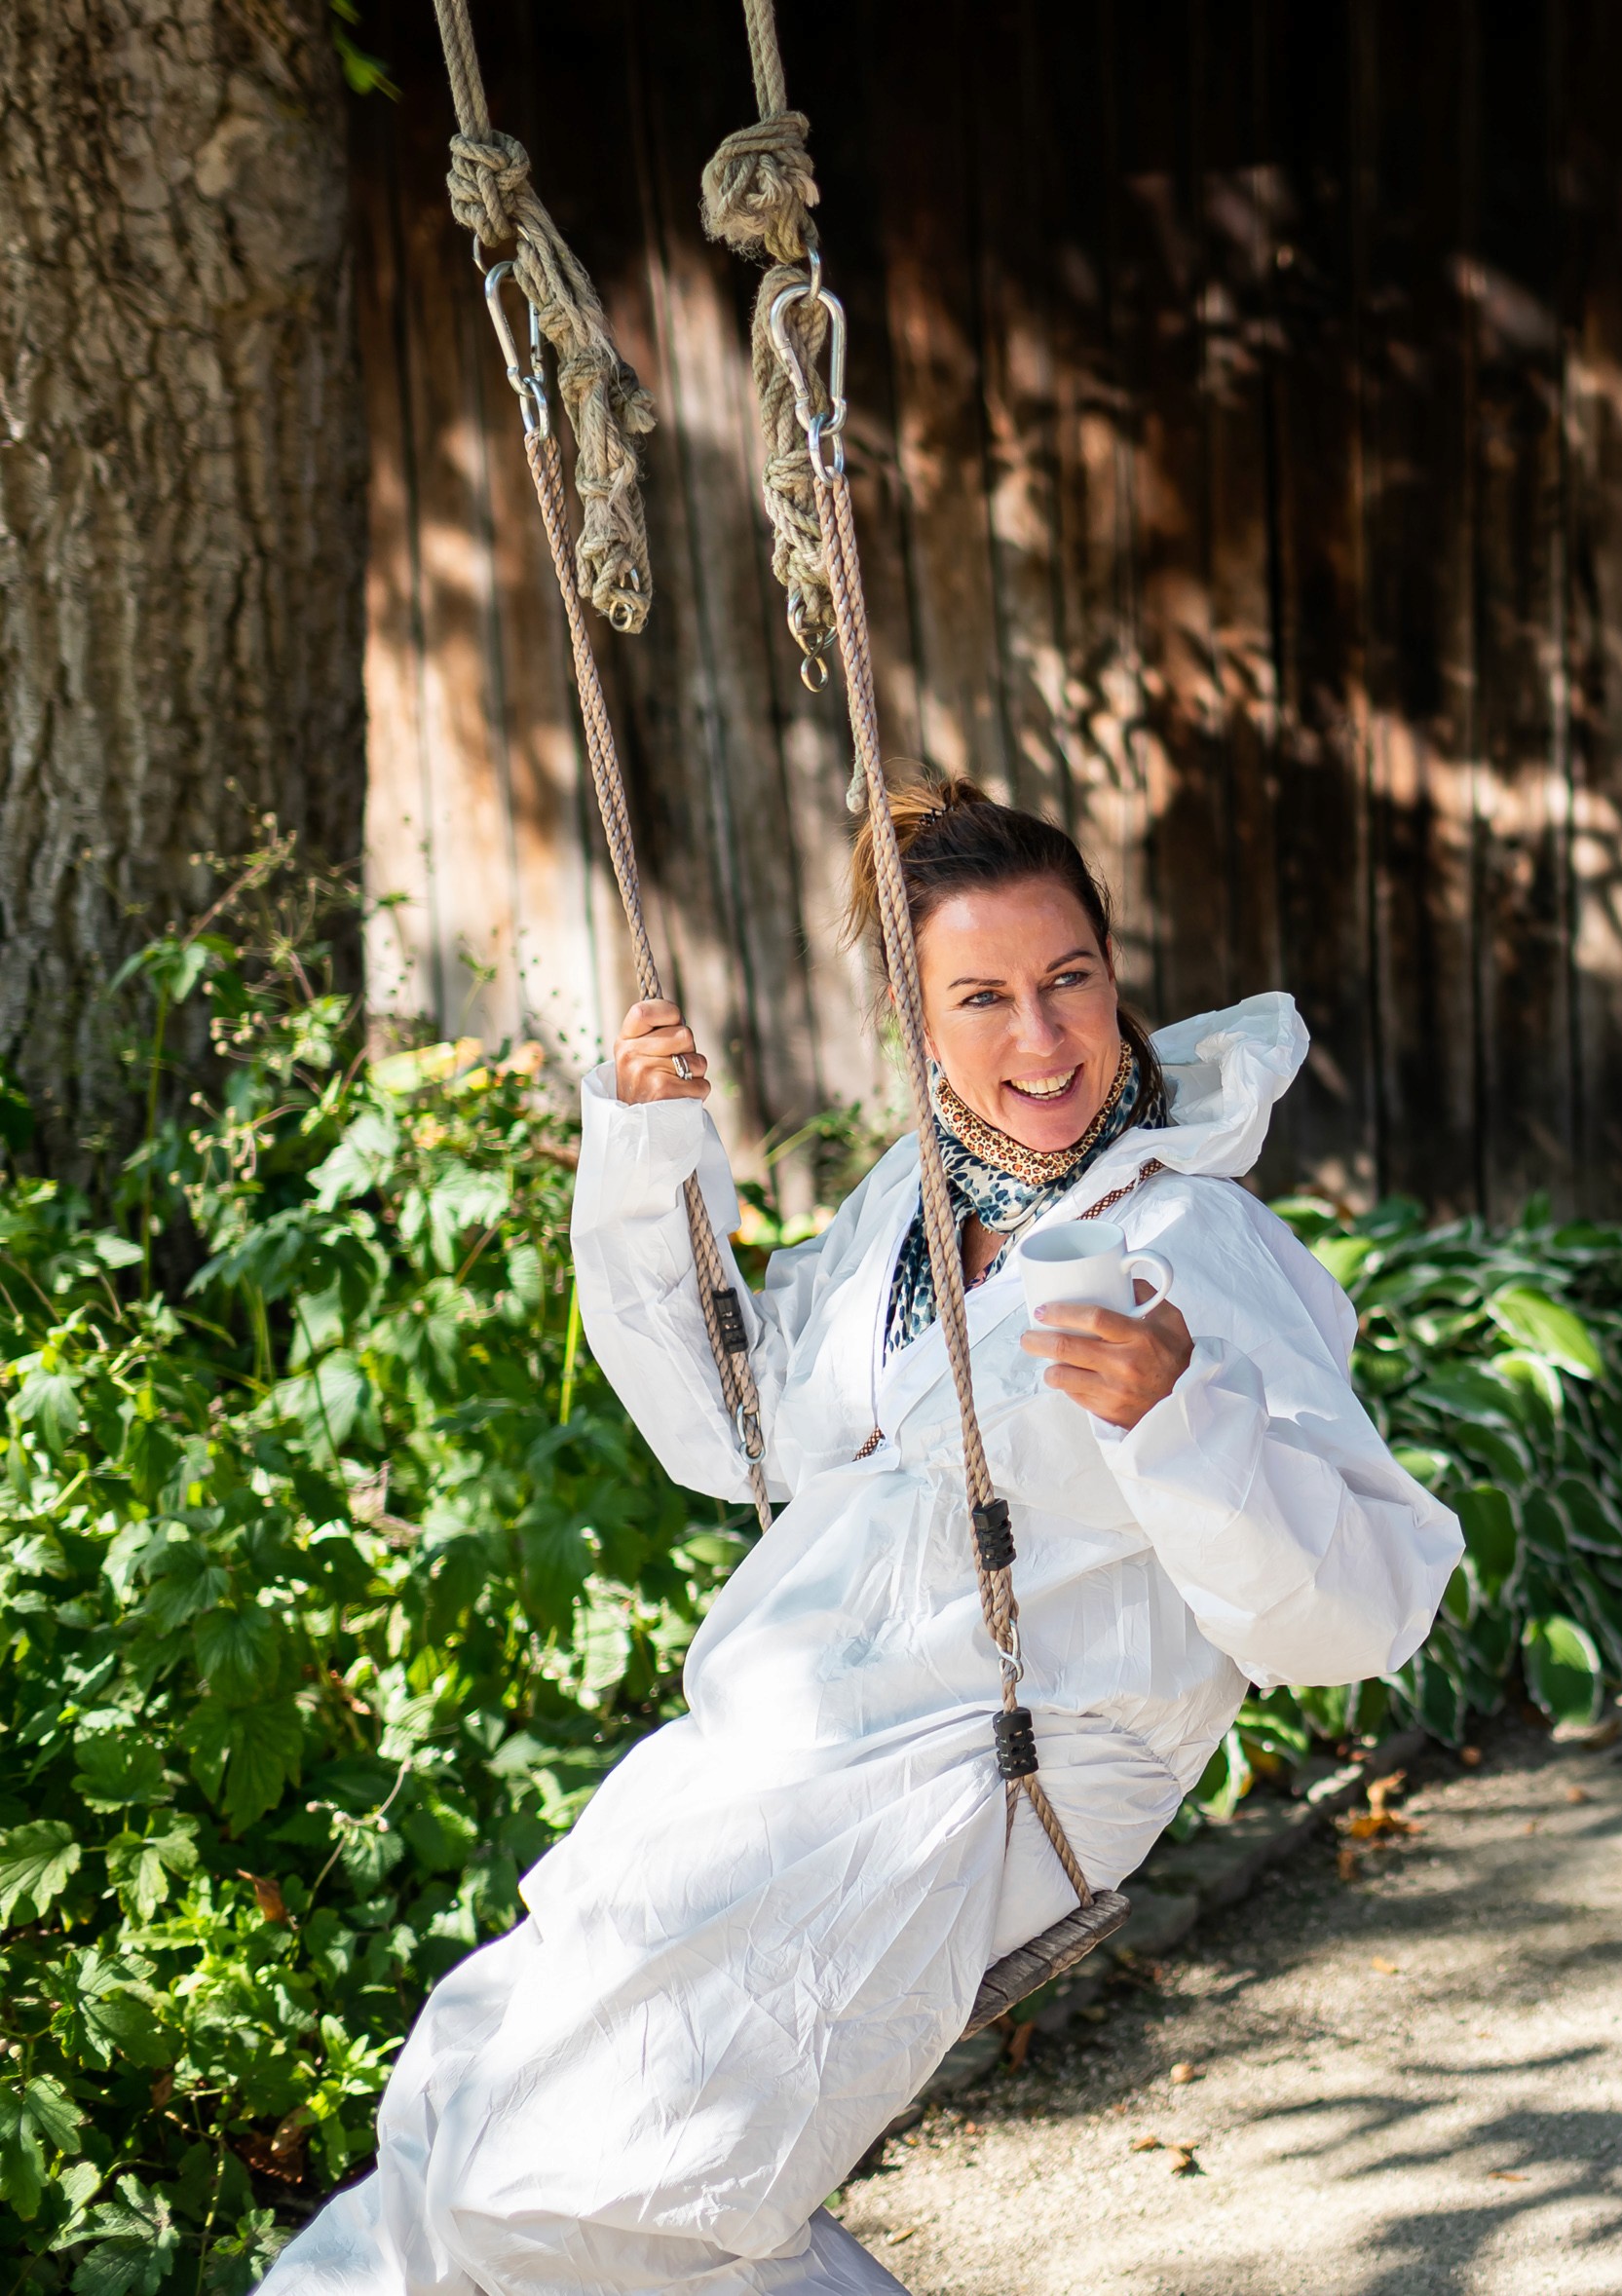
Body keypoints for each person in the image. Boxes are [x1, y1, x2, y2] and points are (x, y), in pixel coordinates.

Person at [269, 777, 1461, 2295]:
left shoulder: (1191, 1238)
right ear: (912, 1018)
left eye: (1070, 977)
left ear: (1116, 974)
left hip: (994, 1764)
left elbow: (1361, 1612)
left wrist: (1186, 1421)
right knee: (464, 2097)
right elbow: (741, 1428)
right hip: (789, 1727)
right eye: (983, 996)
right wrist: (650, 1159)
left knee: (606, 2183)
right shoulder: (915, 1198)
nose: (1043, 1035)